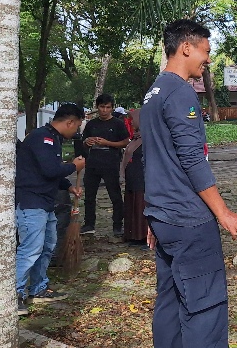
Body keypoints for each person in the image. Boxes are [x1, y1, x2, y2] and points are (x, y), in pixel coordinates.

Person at [141, 19, 237, 348]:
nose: (208, 59)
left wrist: (154, 213)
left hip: (164, 218)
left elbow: (152, 158)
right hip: (189, 221)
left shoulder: (153, 93)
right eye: (205, 51)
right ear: (186, 47)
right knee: (204, 309)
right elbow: (191, 160)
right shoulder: (181, 93)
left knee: (169, 302)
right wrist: (223, 213)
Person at [15, 103, 86, 316]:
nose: (77, 131)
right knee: (30, 249)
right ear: (70, 122)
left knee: (47, 246)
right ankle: (15, 294)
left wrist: (69, 186)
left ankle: (38, 287)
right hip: (31, 202)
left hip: (45, 202)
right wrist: (74, 166)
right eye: (77, 126)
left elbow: (49, 172)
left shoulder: (53, 138)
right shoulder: (42, 137)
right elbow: (49, 170)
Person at [81, 94, 130, 240]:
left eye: (108, 107)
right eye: (102, 107)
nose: (104, 110)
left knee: (115, 195)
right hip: (93, 163)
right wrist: (87, 141)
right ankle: (89, 224)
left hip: (111, 162)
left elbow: (125, 142)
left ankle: (117, 225)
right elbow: (83, 141)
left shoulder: (117, 124)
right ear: (97, 107)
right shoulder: (91, 124)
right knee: (89, 196)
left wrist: (107, 143)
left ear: (112, 108)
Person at [120, 109, 147, 247]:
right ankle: (133, 235)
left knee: (140, 206)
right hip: (132, 179)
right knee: (132, 206)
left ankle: (142, 236)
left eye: (133, 120)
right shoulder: (135, 139)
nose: (130, 123)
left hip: (142, 180)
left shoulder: (148, 140)